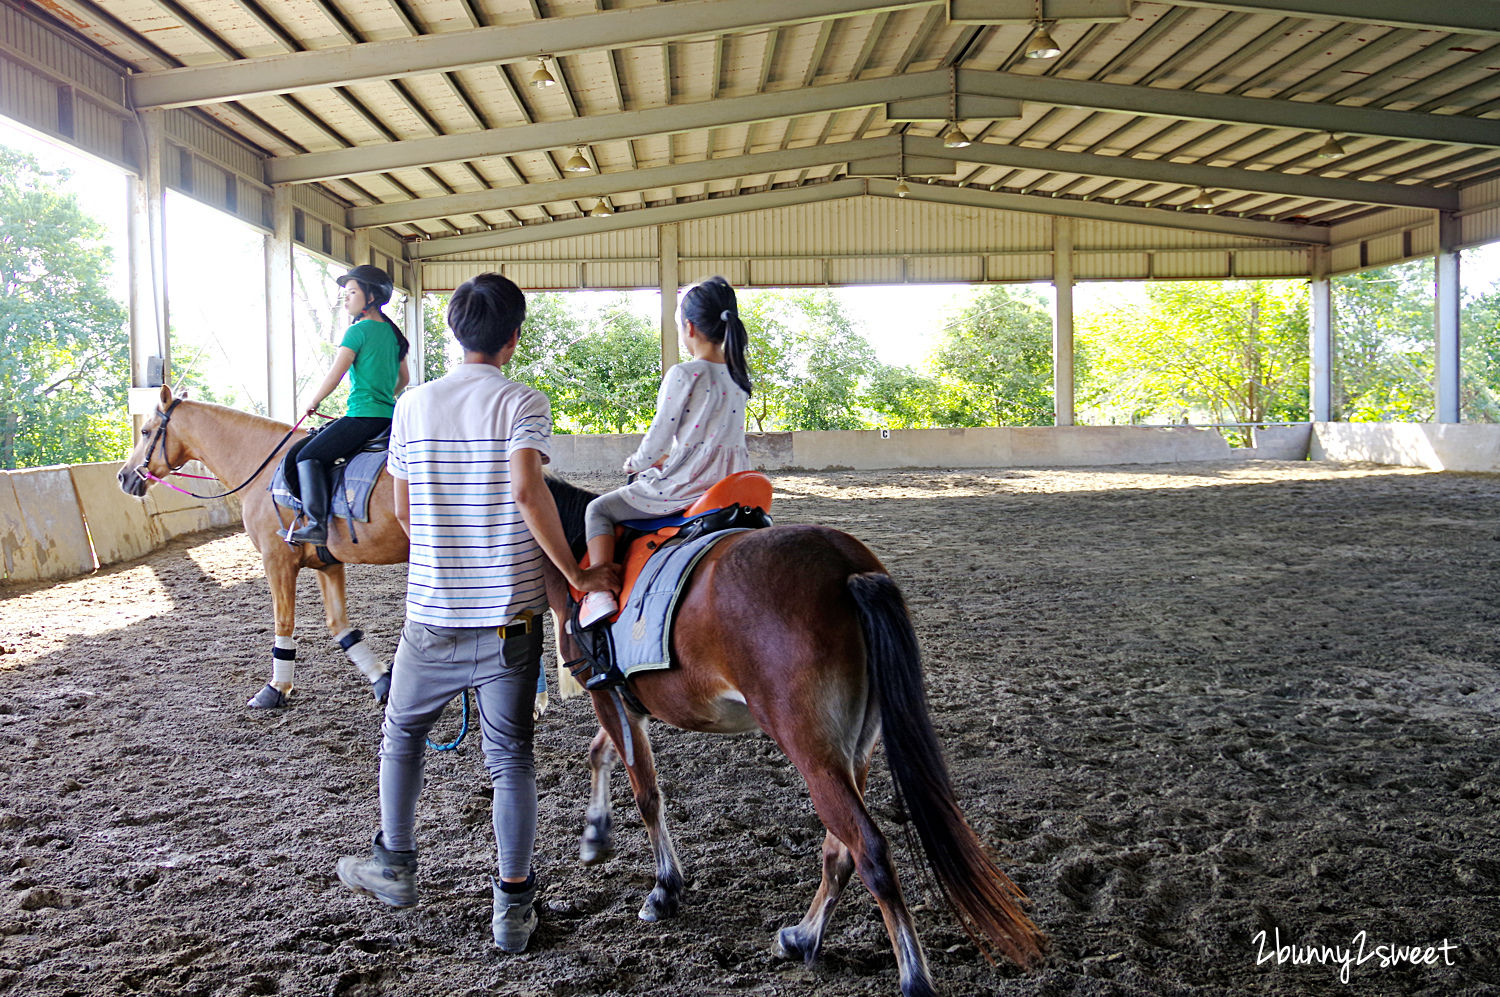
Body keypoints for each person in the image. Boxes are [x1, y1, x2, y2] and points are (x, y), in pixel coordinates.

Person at [334, 272, 617, 954]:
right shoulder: (523, 403)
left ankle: (395, 865)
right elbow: (527, 488)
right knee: (510, 758)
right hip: (509, 625)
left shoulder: (415, 405)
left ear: (457, 334)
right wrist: (576, 571)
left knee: (401, 734)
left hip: (430, 619)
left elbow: (402, 510)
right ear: (513, 339)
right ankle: (513, 907)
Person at [577, 275, 753, 628]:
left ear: (688, 327)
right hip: (732, 483)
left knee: (598, 509)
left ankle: (599, 592)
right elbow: (710, 440)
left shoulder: (685, 373)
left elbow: (659, 437)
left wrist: (636, 462)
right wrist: (670, 458)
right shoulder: (737, 375)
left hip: (688, 484)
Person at [284, 264, 410, 544]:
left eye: (352, 292)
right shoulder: (394, 335)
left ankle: (316, 525)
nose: (346, 298)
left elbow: (336, 373)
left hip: (362, 416)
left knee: (307, 456)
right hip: (388, 418)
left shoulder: (357, 331)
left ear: (371, 297)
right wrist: (383, 394)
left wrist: (313, 402)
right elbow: (405, 378)